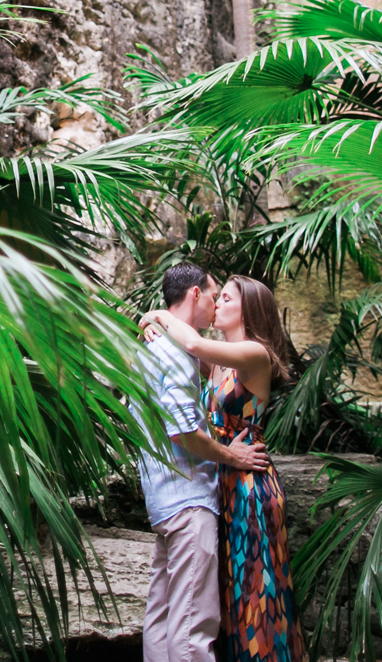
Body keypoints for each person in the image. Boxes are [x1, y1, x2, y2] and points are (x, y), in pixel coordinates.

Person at [142, 274, 306, 662]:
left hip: (250, 482)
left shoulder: (255, 354)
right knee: (228, 594)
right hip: (225, 480)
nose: (216, 304)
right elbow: (184, 352)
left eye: (226, 298)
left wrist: (159, 316)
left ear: (247, 309)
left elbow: (193, 342)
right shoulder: (216, 362)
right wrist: (151, 319)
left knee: (256, 592)